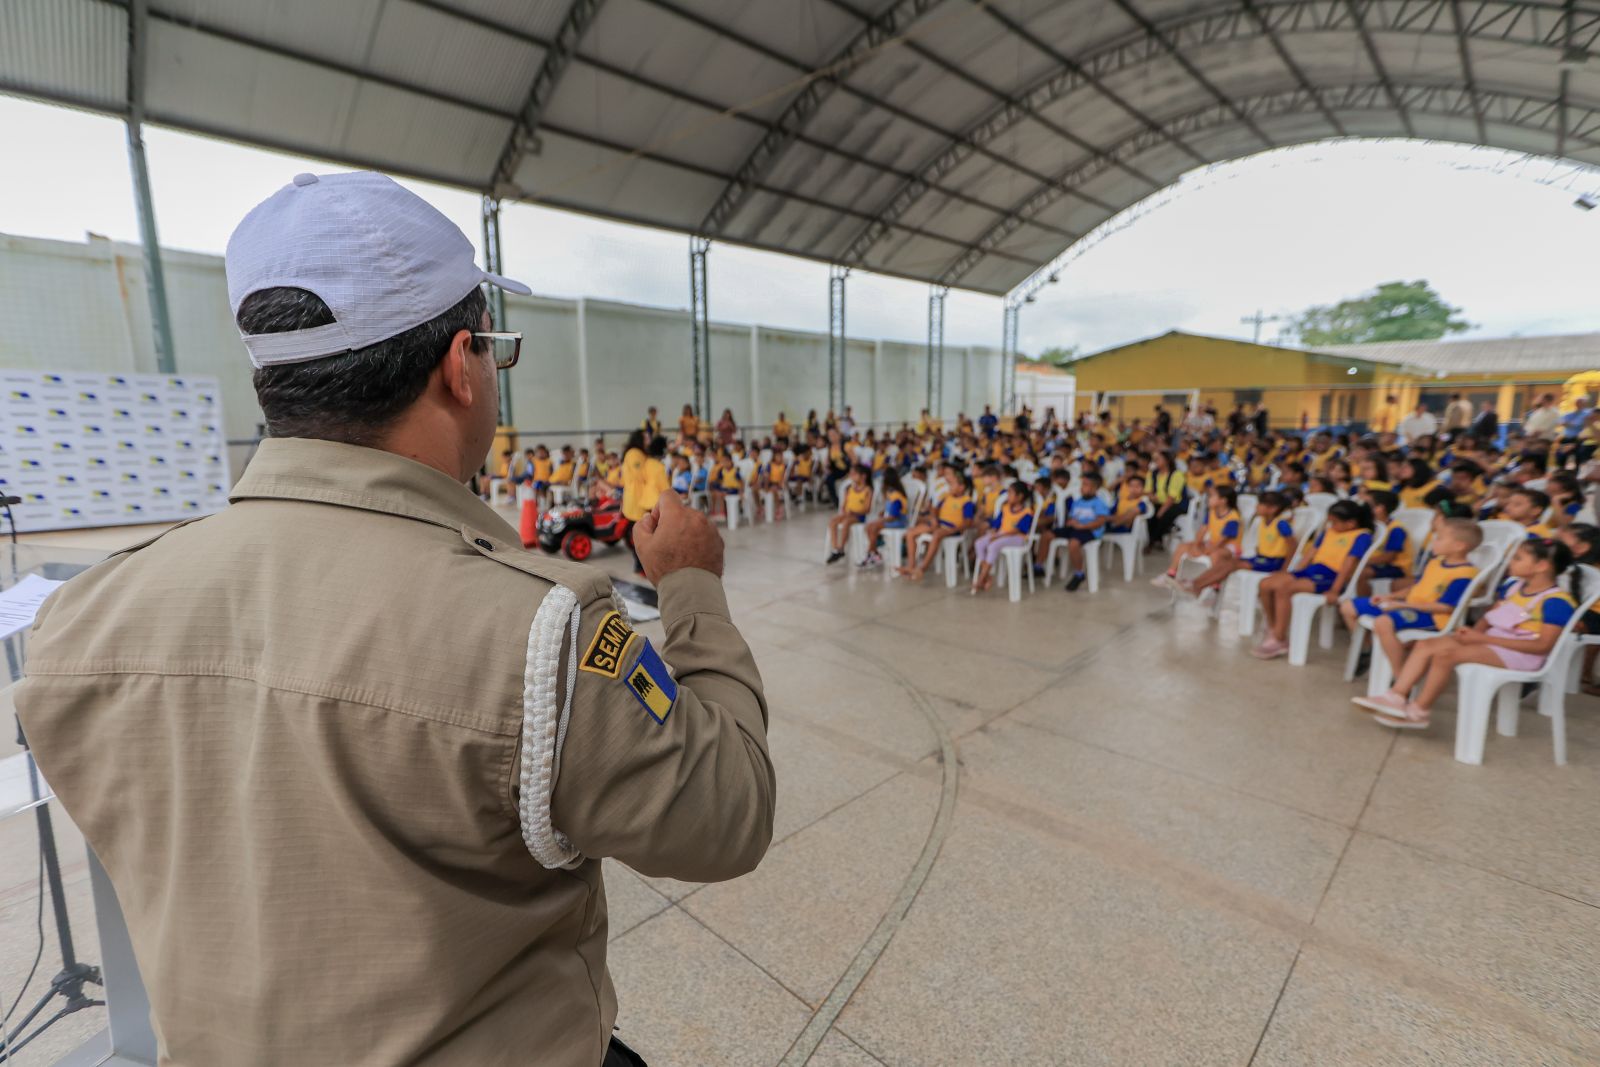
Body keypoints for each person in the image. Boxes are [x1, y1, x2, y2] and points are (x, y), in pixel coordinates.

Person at [11, 171, 773, 1067]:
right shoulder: (534, 635)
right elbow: (731, 811)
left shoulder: (80, 623)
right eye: (495, 349)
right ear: (461, 365)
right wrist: (692, 588)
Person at [1355, 537, 1581, 729]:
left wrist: (1481, 638)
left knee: (1447, 655)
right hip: (1494, 643)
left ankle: (1420, 710)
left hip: (1523, 655)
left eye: (1518, 558)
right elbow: (1490, 616)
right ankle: (1396, 695)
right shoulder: (1513, 586)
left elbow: (1543, 646)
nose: (1510, 562)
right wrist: (1472, 632)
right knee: (1427, 645)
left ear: (1542, 566)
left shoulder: (1556, 602)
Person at [1341, 516, 1481, 681]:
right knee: (1348, 606)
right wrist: (1389, 597)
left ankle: (1401, 677)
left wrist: (1401, 605)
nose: (1434, 542)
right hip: (1409, 606)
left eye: (1440, 538)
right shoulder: (1435, 563)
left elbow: (1446, 608)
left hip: (1433, 617)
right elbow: (1416, 587)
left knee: (1383, 622)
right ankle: (1369, 650)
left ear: (1459, 546)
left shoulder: (1464, 574)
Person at [1252, 499, 1374, 659]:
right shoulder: (1329, 532)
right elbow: (1311, 554)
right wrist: (1295, 573)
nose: (1331, 525)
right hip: (1313, 571)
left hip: (1332, 577)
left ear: (1350, 523)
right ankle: (1274, 628)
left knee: (1285, 588)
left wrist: (1335, 590)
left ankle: (1279, 639)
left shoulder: (1361, 536)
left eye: (1335, 522)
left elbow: (1348, 565)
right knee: (1266, 584)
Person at [1182, 490, 1296, 600]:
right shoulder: (1262, 520)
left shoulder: (1281, 524)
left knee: (1232, 565)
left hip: (1274, 562)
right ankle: (1197, 584)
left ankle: (1197, 585)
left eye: (1261, 504)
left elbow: (1293, 545)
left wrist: (1284, 569)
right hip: (1261, 558)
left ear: (1272, 508)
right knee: (1226, 562)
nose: (1257, 506)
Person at [900, 468, 975, 581]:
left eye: (952, 485)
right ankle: (911, 566)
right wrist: (934, 519)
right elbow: (934, 510)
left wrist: (953, 530)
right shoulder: (945, 497)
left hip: (952, 528)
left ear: (961, 487)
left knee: (937, 534)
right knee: (910, 533)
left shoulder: (967, 502)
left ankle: (922, 568)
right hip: (939, 524)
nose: (949, 487)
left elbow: (968, 522)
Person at [970, 480, 1035, 594]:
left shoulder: (1027, 512)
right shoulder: (1005, 508)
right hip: (1001, 534)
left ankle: (981, 579)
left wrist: (998, 537)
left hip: (1017, 538)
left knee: (994, 545)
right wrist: (993, 532)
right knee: (979, 543)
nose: (1007, 496)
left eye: (1010, 493)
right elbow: (997, 524)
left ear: (1020, 496)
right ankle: (988, 575)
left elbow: (1017, 530)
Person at [1058, 470, 1113, 591]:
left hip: (1091, 531)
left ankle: (1079, 573)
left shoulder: (1099, 503)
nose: (1082, 488)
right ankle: (1038, 567)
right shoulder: (1078, 502)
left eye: (1085, 485)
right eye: (1082, 484)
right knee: (1048, 534)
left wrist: (1082, 527)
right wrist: (1071, 522)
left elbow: (1100, 521)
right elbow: (1073, 517)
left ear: (1095, 488)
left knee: (1073, 544)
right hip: (1076, 528)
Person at [859, 468, 910, 568]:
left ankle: (870, 553)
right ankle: (875, 552)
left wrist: (880, 520)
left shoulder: (895, 495)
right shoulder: (891, 493)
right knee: (869, 527)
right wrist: (883, 513)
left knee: (873, 527)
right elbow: (890, 510)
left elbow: (893, 516)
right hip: (892, 520)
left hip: (899, 522)